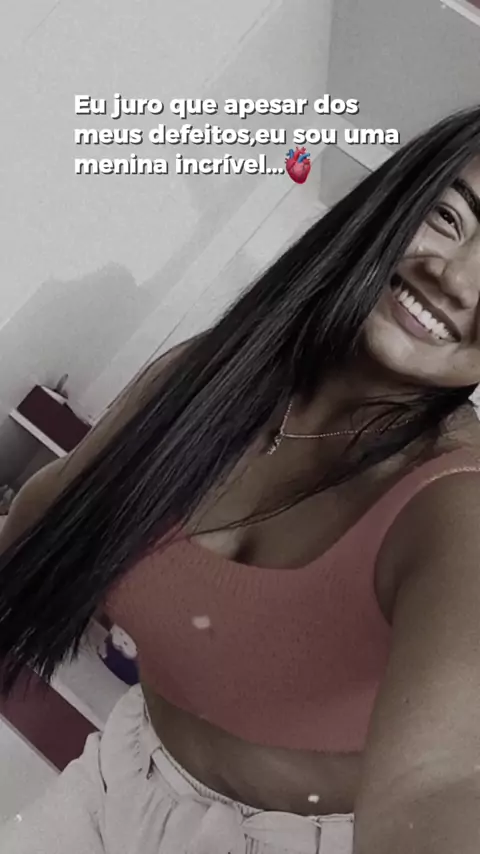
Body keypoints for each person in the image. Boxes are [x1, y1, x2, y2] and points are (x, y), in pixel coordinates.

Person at [1, 106, 480, 854]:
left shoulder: (457, 506)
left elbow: (440, 787)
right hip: (121, 773)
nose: (455, 279)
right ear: (393, 201)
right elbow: (46, 515)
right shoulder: (214, 372)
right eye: (449, 218)